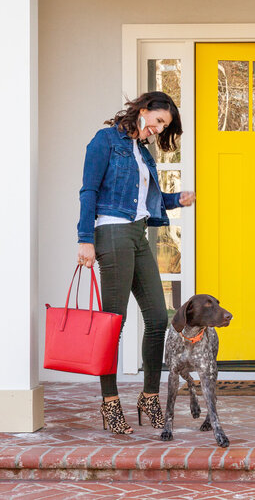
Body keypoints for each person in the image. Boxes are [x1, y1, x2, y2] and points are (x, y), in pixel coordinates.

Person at [77, 91, 195, 434]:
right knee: (113, 323)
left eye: (164, 126)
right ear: (142, 110)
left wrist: (177, 199)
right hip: (111, 233)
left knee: (159, 318)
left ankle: (149, 398)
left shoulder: (142, 153)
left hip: (138, 234)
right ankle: (110, 404)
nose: (157, 130)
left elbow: (148, 201)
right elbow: (89, 191)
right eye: (157, 121)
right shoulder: (105, 141)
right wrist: (85, 239)